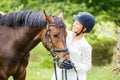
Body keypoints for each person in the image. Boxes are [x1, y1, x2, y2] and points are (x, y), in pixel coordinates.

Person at [51, 12, 95, 80]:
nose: (74, 24)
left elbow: (88, 65)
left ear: (84, 29)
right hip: (59, 75)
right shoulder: (65, 34)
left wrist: (74, 66)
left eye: (78, 23)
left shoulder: (85, 46)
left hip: (74, 77)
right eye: (75, 22)